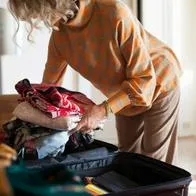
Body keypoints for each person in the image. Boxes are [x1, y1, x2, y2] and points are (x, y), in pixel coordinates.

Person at [8, 0, 182, 164]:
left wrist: (102, 110)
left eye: (37, 12)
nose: (38, 19)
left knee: (154, 163)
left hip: (160, 79)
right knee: (127, 158)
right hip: (125, 91)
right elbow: (48, 89)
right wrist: (31, 117)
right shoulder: (59, 36)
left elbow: (144, 80)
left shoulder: (114, 13)